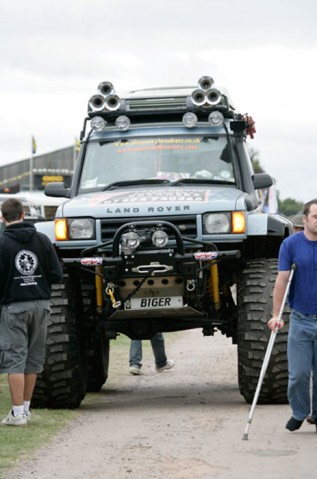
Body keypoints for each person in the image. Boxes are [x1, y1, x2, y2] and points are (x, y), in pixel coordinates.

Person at [0, 198, 63, 426]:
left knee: (15, 359)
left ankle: (17, 414)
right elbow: (56, 274)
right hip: (41, 305)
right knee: (33, 359)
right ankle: (25, 410)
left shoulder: (2, 243)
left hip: (14, 306)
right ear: (24, 215)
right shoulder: (43, 239)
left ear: (3, 217)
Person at [267, 198, 317, 432]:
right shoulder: (290, 245)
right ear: (305, 219)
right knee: (298, 374)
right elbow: (282, 280)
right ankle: (299, 412)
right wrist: (276, 314)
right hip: (301, 319)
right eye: (315, 216)